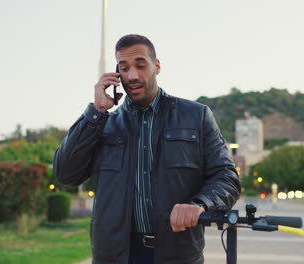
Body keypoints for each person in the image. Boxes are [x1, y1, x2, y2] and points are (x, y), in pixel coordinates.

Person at [53, 34, 240, 264]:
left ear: (157, 66)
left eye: (140, 66)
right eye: (124, 68)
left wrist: (200, 204)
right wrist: (95, 112)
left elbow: (227, 177)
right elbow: (65, 174)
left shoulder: (196, 116)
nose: (132, 76)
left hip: (177, 255)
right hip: (114, 257)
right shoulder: (101, 124)